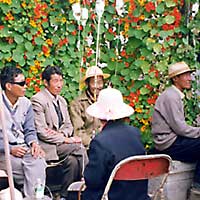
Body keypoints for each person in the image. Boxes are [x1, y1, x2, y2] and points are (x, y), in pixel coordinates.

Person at [82, 87, 150, 200]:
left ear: (99, 116)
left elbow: (93, 180)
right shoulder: (135, 133)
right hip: (139, 196)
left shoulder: (100, 141)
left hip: (112, 196)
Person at [31, 65, 88, 200]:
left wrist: (64, 135)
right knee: (79, 148)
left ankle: (64, 196)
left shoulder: (61, 101)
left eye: (61, 81)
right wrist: (64, 139)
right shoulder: (38, 100)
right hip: (48, 145)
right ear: (46, 82)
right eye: (55, 81)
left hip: (61, 144)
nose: (59, 85)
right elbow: (41, 130)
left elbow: (68, 124)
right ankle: (89, 185)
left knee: (72, 162)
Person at [151, 61, 200, 190]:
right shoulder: (171, 96)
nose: (190, 78)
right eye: (186, 75)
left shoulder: (174, 95)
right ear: (175, 79)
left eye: (189, 74)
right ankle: (197, 188)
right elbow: (181, 128)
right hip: (168, 144)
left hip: (172, 140)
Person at [0, 66, 46, 198]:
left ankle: (33, 197)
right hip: (5, 152)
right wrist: (9, 149)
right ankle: (35, 197)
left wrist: (34, 144)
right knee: (25, 168)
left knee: (38, 159)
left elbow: (30, 130)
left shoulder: (26, 103)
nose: (25, 86)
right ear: (8, 86)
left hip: (24, 147)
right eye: (21, 84)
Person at [69, 66, 110, 148]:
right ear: (87, 84)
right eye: (94, 83)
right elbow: (78, 132)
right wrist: (94, 144)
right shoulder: (77, 104)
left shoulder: (107, 101)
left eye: (100, 82)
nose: (97, 86)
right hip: (88, 146)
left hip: (108, 143)